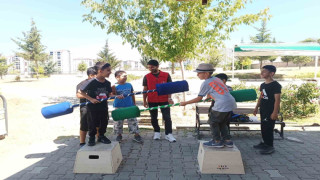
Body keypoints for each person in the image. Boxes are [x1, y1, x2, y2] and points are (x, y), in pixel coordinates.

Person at [180, 63, 236, 148]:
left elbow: (198, 98)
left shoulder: (206, 83)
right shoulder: (216, 79)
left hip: (221, 104)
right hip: (230, 102)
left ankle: (216, 141)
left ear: (206, 73)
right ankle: (227, 140)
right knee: (223, 122)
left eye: (199, 73)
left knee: (213, 122)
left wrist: (185, 103)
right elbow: (217, 91)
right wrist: (210, 97)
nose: (197, 74)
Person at [79, 62, 124, 146]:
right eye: (108, 70)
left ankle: (101, 136)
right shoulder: (91, 82)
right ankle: (91, 138)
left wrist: (117, 96)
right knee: (92, 123)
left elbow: (110, 94)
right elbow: (81, 91)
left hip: (103, 107)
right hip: (92, 108)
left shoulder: (107, 83)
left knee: (104, 122)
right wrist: (91, 99)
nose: (110, 72)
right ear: (100, 71)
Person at [142, 59, 176, 142]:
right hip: (152, 100)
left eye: (152, 67)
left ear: (157, 66)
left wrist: (169, 98)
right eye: (149, 67)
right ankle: (157, 132)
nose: (150, 68)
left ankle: (169, 134)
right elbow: (145, 89)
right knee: (153, 117)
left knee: (167, 117)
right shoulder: (146, 77)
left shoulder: (166, 75)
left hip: (164, 99)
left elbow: (169, 87)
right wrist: (144, 101)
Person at [253, 65, 281, 154]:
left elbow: (277, 100)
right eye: (261, 71)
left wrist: (275, 112)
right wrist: (256, 107)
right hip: (263, 109)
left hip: (270, 110)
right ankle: (265, 143)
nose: (261, 73)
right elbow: (261, 96)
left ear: (271, 73)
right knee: (263, 127)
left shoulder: (276, 85)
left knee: (268, 128)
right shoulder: (263, 85)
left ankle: (270, 146)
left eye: (264, 71)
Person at [112, 70, 143, 143]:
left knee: (133, 121)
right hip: (119, 106)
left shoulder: (129, 85)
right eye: (123, 76)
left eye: (126, 76)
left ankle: (136, 135)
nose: (125, 77)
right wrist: (117, 96)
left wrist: (134, 104)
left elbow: (132, 94)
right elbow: (111, 95)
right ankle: (119, 135)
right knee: (118, 122)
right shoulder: (114, 86)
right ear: (117, 77)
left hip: (130, 106)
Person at [76, 67, 97, 147]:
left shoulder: (97, 83)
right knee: (84, 124)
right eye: (96, 75)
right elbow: (78, 95)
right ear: (91, 75)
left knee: (98, 124)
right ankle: (82, 142)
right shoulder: (82, 84)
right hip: (85, 108)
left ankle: (98, 139)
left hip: (96, 107)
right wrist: (90, 97)